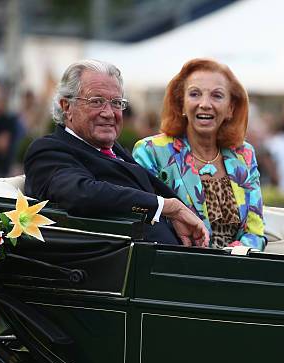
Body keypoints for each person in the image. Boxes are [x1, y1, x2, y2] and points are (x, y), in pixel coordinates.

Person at [24, 59, 209, 247]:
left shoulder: (113, 148)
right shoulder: (49, 150)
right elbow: (82, 194)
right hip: (130, 267)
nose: (109, 113)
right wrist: (165, 207)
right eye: (96, 101)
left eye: (116, 103)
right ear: (67, 106)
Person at [133, 58, 265, 249]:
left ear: (230, 108)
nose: (205, 104)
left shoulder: (244, 154)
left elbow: (256, 232)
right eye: (195, 94)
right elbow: (145, 221)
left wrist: (236, 254)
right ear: (181, 104)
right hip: (174, 266)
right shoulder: (151, 151)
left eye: (217, 96)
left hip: (235, 269)